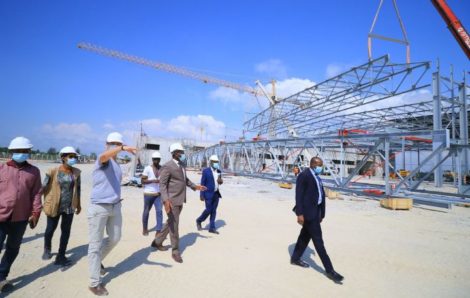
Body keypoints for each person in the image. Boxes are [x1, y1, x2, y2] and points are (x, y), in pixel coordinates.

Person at [87, 132, 137, 296]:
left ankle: (97, 262)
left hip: (115, 207)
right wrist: (121, 147)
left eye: (118, 144)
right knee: (95, 245)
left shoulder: (116, 164)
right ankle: (94, 283)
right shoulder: (103, 160)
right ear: (106, 144)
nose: (115, 146)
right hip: (99, 207)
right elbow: (103, 156)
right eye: (113, 144)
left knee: (115, 237)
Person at [151, 143, 206, 263]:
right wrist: (165, 201)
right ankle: (175, 251)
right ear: (174, 153)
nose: (182, 154)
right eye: (180, 152)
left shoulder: (181, 165)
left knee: (170, 222)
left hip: (180, 199)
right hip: (172, 201)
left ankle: (157, 242)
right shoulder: (167, 166)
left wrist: (195, 187)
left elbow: (184, 180)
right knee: (174, 226)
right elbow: (162, 185)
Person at [291, 157, 344, 283]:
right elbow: (298, 196)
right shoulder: (304, 175)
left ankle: (295, 258)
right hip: (308, 214)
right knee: (319, 243)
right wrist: (300, 214)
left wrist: (322, 214)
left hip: (315, 213)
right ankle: (330, 270)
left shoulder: (317, 177)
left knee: (304, 237)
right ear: (313, 165)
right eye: (320, 165)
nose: (321, 167)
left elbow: (319, 195)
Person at [0, 137, 42, 291]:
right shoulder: (2, 169)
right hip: (1, 216)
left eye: (25, 151)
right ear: (12, 152)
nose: (22, 154)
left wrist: (36, 212)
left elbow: (37, 192)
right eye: (19, 151)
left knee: (13, 248)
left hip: (21, 217)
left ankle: (2, 276)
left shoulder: (34, 171)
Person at [42, 146, 81, 267]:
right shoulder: (52, 171)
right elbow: (43, 187)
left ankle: (61, 255)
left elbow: (78, 189)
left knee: (66, 231)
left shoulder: (76, 172)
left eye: (75, 157)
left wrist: (78, 204)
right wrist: (36, 204)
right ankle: (47, 249)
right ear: (63, 158)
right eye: (71, 157)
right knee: (50, 229)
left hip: (69, 206)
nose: (73, 159)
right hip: (54, 204)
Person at [196, 155, 223, 234]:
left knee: (214, 211)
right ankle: (199, 220)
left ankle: (212, 227)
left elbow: (220, 182)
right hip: (208, 193)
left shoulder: (219, 171)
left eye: (217, 162)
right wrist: (201, 194)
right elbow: (202, 183)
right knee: (208, 209)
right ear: (211, 162)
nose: (216, 163)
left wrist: (221, 181)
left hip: (216, 194)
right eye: (215, 162)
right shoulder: (206, 171)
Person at [141, 151, 163, 236]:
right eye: (155, 159)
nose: (156, 161)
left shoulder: (162, 169)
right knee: (146, 211)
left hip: (158, 194)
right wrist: (153, 181)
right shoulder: (147, 168)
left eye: (158, 159)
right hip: (148, 194)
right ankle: (145, 228)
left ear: (160, 159)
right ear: (152, 159)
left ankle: (158, 230)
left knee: (159, 211)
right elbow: (142, 181)